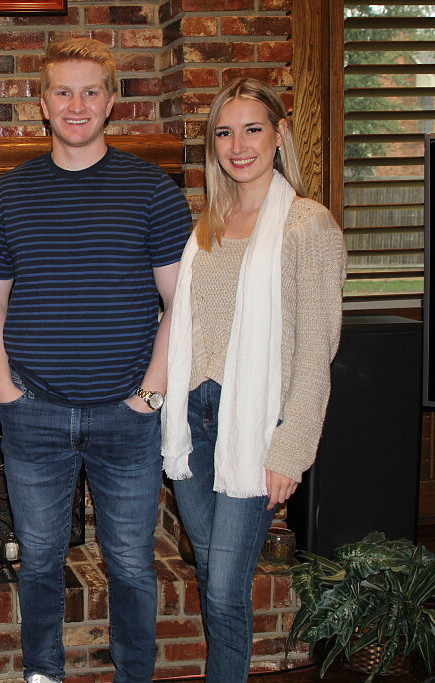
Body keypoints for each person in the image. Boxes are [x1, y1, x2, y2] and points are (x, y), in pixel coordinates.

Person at [0, 38, 192, 683]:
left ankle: (134, 674)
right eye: (62, 91)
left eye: (90, 91)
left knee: (131, 564)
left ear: (111, 101)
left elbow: (181, 304)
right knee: (40, 561)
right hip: (34, 413)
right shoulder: (11, 194)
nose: (76, 104)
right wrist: (5, 391)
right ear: (42, 103)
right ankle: (43, 672)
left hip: (127, 416)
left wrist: (149, 395)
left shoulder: (152, 191)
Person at [161, 78, 346, 682]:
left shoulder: (307, 225)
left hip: (256, 426)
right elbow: (184, 321)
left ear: (280, 134)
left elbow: (317, 348)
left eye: (252, 129)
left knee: (223, 587)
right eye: (224, 133)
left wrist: (291, 450)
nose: (237, 146)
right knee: (213, 574)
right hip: (194, 419)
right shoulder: (210, 223)